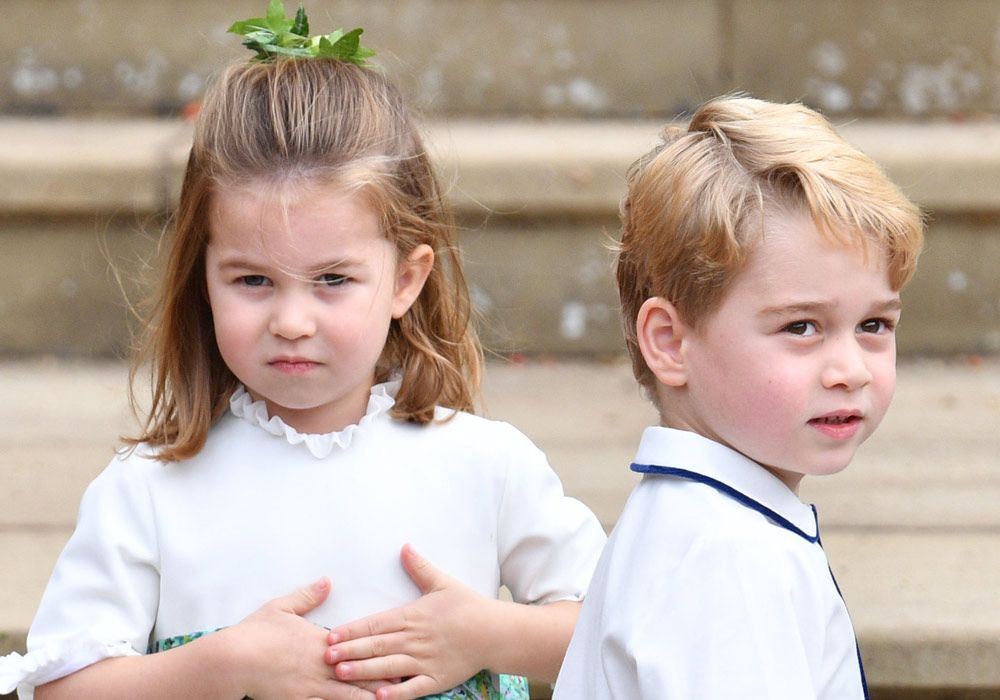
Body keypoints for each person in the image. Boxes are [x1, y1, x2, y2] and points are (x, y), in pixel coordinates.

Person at [0, 6, 605, 700]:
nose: (291, 320)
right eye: (253, 279)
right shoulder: (149, 491)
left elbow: (623, 627)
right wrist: (218, 668)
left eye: (332, 281)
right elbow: (60, 688)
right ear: (205, 275)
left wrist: (487, 636)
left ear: (406, 280)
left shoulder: (488, 467)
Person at [552, 95, 924, 699]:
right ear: (671, 343)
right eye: (801, 327)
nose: (850, 370)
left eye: (874, 326)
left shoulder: (706, 521)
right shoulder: (725, 558)